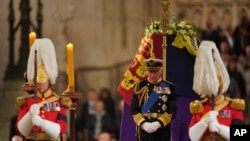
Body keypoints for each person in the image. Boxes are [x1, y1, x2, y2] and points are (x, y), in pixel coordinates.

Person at [15, 38, 72, 141]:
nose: (40, 85)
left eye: (43, 81)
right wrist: (29, 115)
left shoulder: (58, 102)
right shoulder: (27, 102)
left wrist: (43, 123)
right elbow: (21, 130)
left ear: (49, 80)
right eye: (38, 82)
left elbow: (61, 128)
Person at [188, 41, 245, 141]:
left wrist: (220, 128)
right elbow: (192, 137)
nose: (211, 94)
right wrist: (204, 122)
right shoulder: (199, 107)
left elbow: (241, 135)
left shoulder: (233, 106)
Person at [130, 58, 177, 141]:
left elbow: (172, 109)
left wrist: (158, 123)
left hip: (162, 129)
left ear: (160, 71)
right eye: (150, 72)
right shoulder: (139, 86)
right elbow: (134, 109)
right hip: (144, 129)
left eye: (155, 72)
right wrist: (144, 124)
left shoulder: (169, 87)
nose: (152, 75)